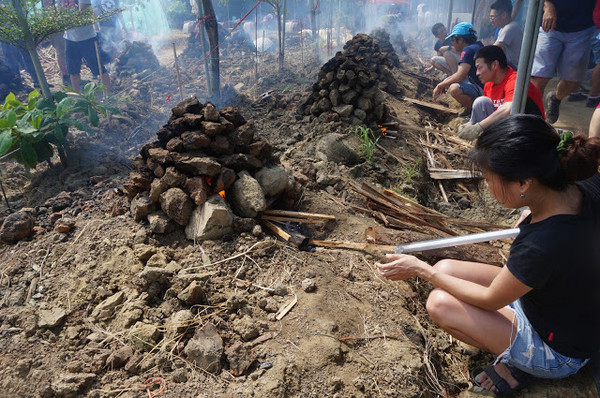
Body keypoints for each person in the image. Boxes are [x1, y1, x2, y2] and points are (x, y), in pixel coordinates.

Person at [377, 114, 600, 395]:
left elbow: (491, 299)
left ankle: (522, 366)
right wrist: (531, 210)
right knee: (447, 268)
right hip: (560, 305)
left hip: (561, 348)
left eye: (489, 179)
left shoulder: (543, 244)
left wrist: (423, 270)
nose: (487, 185)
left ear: (524, 183)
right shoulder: (582, 185)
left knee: (439, 303)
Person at [458, 45, 545, 140]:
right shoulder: (489, 84)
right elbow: (485, 113)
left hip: (529, 132)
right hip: (506, 128)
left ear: (494, 65)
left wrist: (479, 126)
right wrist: (471, 124)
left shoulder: (515, 81)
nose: (477, 73)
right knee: (481, 102)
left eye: (479, 68)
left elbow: (508, 109)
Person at [531, 0, 596, 124]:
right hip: (550, 27)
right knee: (540, 77)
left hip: (581, 29)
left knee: (572, 83)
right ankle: (533, 121)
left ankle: (556, 98)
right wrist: (548, 5)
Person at [433, 22, 484, 117]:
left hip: (481, 88)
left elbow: (460, 77)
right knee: (448, 81)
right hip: (476, 82)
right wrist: (445, 82)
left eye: (453, 40)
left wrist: (440, 85)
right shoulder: (477, 45)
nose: (452, 43)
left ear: (460, 40)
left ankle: (475, 111)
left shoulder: (468, 50)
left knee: (454, 89)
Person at [62, 0, 111, 92]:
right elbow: (58, 12)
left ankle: (109, 94)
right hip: (69, 39)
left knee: (99, 68)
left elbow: (82, 11)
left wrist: (65, 19)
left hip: (87, 39)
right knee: (73, 71)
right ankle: (77, 96)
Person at [489, 0, 523, 69]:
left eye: (493, 17)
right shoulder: (502, 28)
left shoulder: (510, 27)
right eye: (490, 17)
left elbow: (493, 49)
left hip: (515, 68)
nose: (491, 20)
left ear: (504, 15)